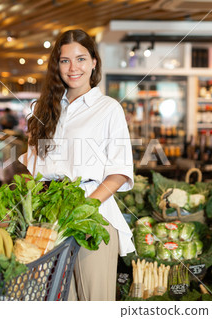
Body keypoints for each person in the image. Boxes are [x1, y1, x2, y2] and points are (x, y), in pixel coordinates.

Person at [19, 29, 135, 301]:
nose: (73, 68)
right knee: (60, 301)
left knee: (94, 302)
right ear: (56, 66)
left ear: (94, 62)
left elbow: (118, 172)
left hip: (92, 216)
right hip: (49, 219)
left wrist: (85, 209)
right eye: (65, 61)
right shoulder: (42, 109)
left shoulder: (108, 108)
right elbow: (34, 171)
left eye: (81, 59)